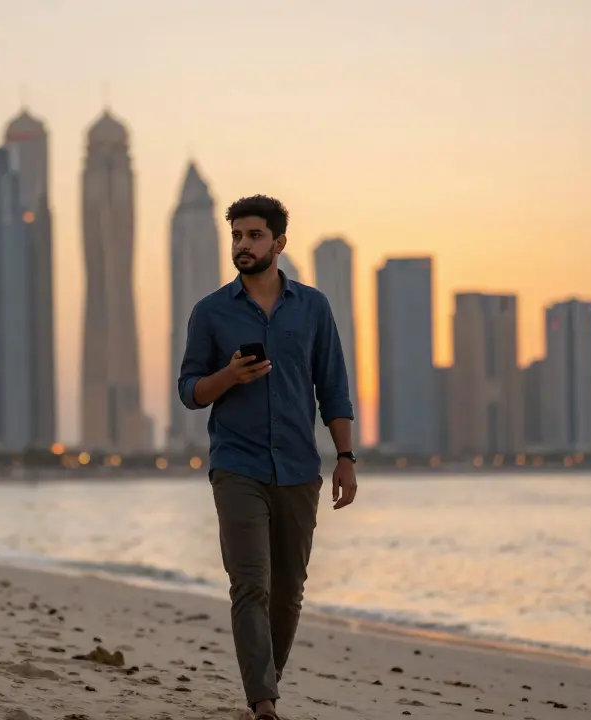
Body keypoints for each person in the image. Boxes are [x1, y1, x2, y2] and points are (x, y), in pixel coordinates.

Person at [176, 195, 357, 720]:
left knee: (288, 592)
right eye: (236, 236)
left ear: (278, 243)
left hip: (300, 467)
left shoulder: (313, 307)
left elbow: (335, 387)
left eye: (254, 236)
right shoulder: (210, 313)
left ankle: (263, 680)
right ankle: (264, 705)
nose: (243, 245)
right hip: (237, 466)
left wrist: (345, 456)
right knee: (249, 583)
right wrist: (228, 376)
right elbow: (190, 391)